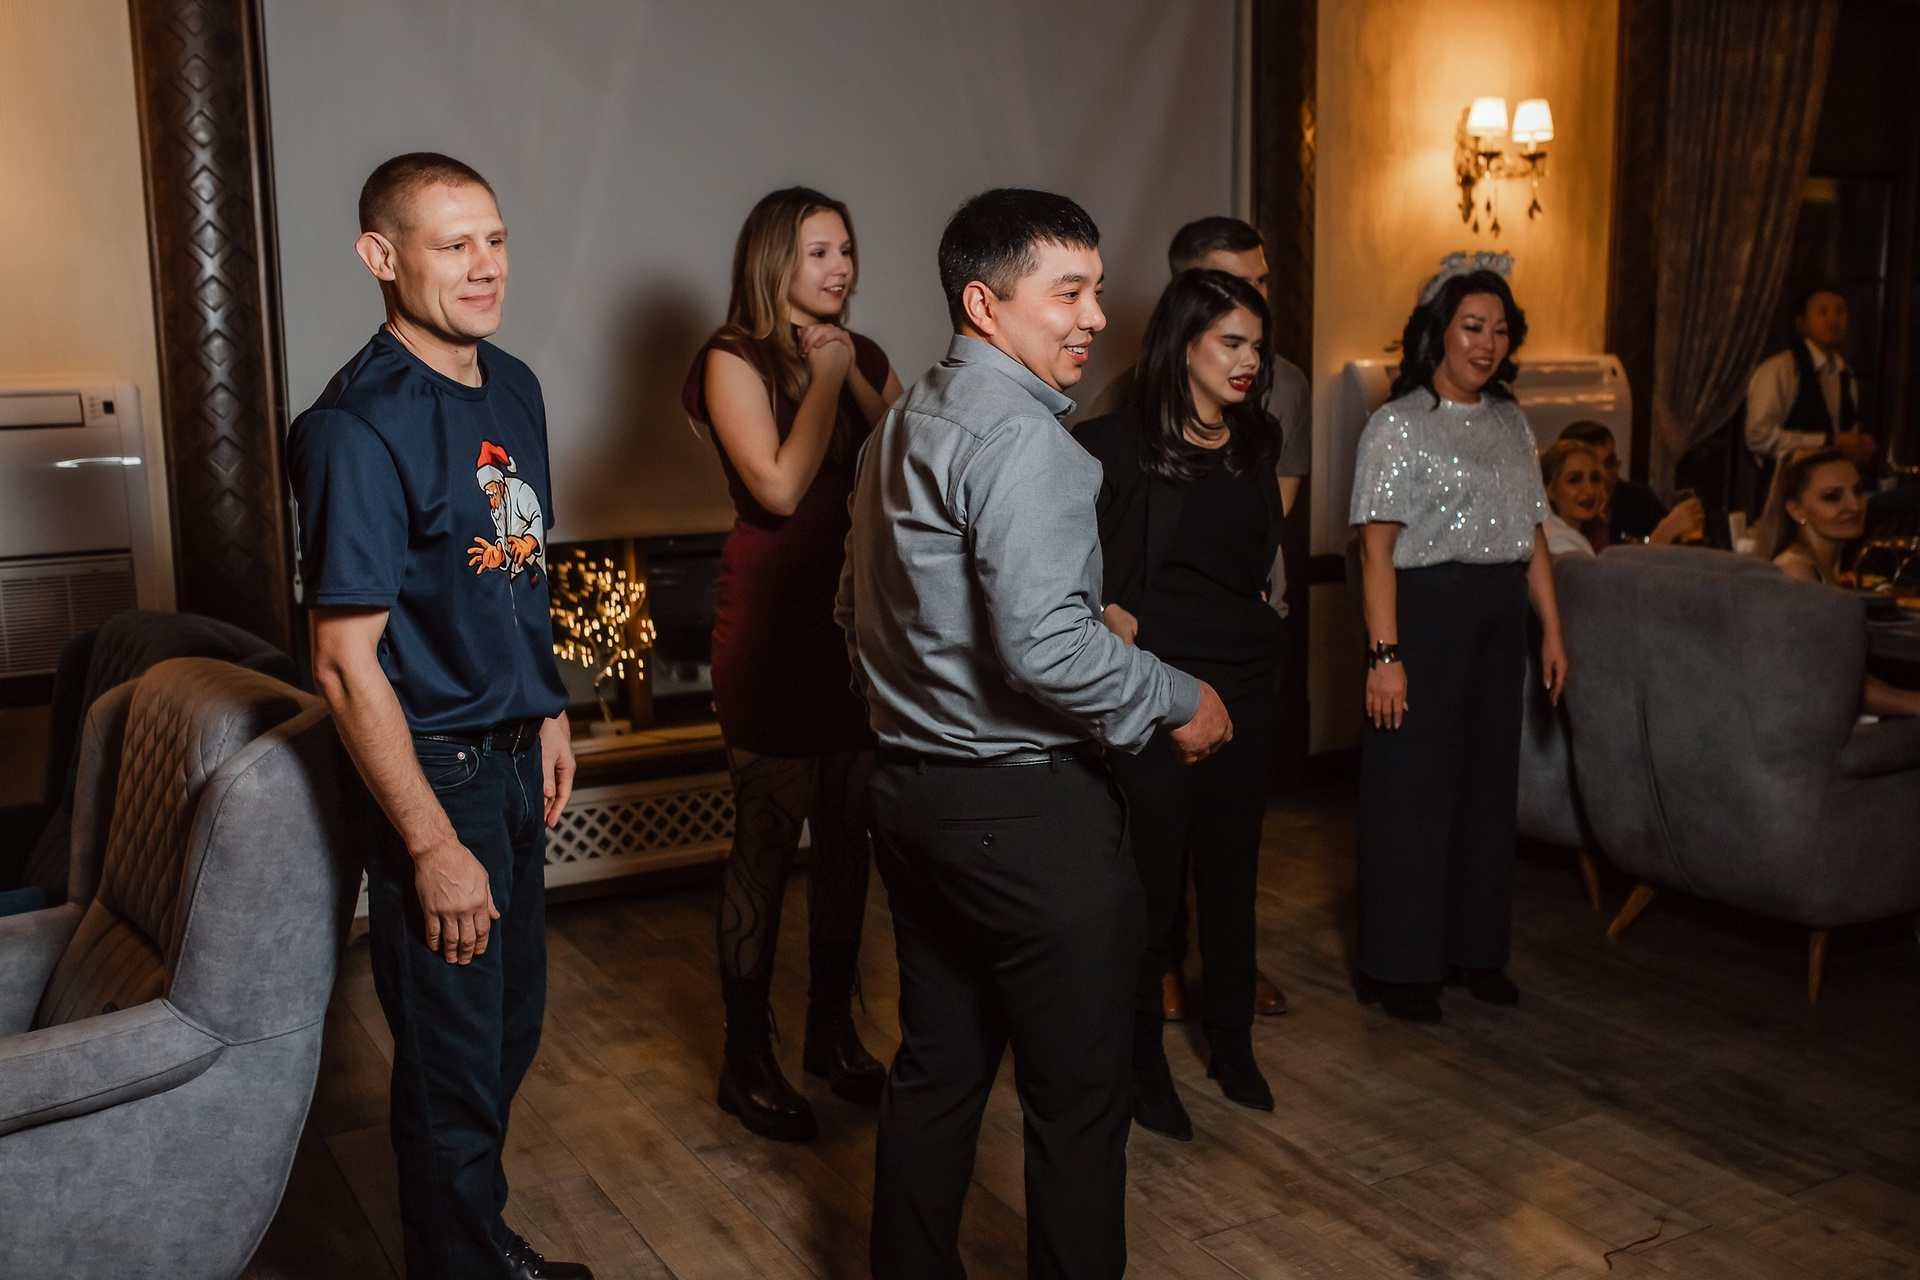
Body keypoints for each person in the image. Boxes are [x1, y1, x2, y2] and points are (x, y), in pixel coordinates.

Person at [838, 188, 1232, 1280]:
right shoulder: (1028, 441)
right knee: (1078, 1103)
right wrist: (1178, 695)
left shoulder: (898, 423)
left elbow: (857, 611)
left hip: (910, 797)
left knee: (938, 1069)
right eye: (1068, 292)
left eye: (1097, 290)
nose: (1096, 315)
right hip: (1025, 817)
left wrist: (992, 659)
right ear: (985, 301)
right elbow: (1046, 651)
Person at [288, 153, 591, 1280]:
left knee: (507, 1032)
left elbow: (520, 567)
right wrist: (427, 842)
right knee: (450, 1062)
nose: (484, 265)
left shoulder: (514, 385)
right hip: (437, 773)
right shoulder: (354, 428)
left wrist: (547, 708)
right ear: (381, 256)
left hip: (514, 754)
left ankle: (470, 1241)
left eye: (495, 240)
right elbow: (342, 663)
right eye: (453, 243)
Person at [680, 187, 902, 1142]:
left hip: (857, 626)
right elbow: (776, 486)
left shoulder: (864, 357)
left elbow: (912, 463)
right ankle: (746, 1059)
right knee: (767, 842)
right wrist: (825, 378)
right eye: (819, 251)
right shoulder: (731, 357)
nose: (840, 267)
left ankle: (831, 1034)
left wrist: (851, 375)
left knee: (851, 835)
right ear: (774, 259)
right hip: (772, 626)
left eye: (846, 249)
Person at [1076, 269, 1287, 1143]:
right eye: (1231, 343)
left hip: (1249, 683)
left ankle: (1232, 1041)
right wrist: (1121, 634)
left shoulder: (1256, 441)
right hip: (1158, 693)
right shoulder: (1112, 446)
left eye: (1256, 346)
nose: (1249, 361)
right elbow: (1086, 587)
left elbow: (1254, 569)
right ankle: (1141, 1062)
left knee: (1233, 875)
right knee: (1152, 890)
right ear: (1183, 343)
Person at [1349, 261, 1569, 1025]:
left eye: (1501, 331)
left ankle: (1476, 952)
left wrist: (1553, 630)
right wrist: (1385, 656)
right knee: (1411, 794)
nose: (1487, 343)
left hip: (1500, 618)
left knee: (1487, 790)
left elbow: (1533, 532)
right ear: (1438, 332)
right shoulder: (1397, 424)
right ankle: (1399, 964)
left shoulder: (1510, 420)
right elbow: (1376, 551)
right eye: (1473, 327)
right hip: (1425, 618)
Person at [1755, 448, 1920, 718]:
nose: (1855, 505)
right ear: (1796, 510)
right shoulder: (1797, 571)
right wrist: (1913, 703)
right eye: (1832, 497)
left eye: (1858, 491)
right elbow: (1819, 679)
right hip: (1806, 727)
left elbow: (1844, 671)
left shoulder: (1826, 569)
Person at [1746, 286, 1875, 468]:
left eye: (1840, 312)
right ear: (1801, 323)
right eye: (1823, 312)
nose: (1833, 319)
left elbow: (1844, 430)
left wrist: (1858, 446)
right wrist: (1826, 440)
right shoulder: (1780, 368)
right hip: (1790, 481)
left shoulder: (1845, 374)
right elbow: (1758, 436)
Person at [1556, 420, 1703, 548]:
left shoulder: (1637, 499)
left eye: (1610, 463)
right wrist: (1664, 534)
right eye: (1575, 479)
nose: (1604, 476)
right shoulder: (1558, 532)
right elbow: (1605, 571)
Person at [1539, 439, 1602, 558]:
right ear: (1549, 490)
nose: (1590, 490)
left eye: (1594, 478)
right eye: (1574, 480)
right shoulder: (1561, 542)